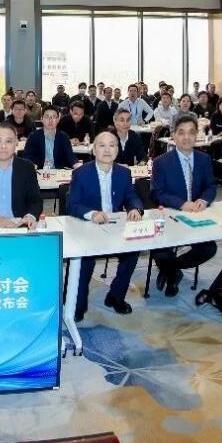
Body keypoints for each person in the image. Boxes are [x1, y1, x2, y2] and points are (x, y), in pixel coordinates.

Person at [69, 131, 144, 319]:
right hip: (89, 228)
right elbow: (73, 205)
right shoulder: (81, 173)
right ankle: (78, 305)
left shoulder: (124, 173)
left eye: (112, 145)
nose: (107, 150)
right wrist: (92, 214)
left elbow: (131, 197)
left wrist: (135, 208)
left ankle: (116, 296)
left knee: (133, 251)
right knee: (84, 260)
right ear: (94, 150)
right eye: (101, 145)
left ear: (117, 150)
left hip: (115, 227)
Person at [149, 115, 218, 297]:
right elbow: (157, 193)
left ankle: (171, 270)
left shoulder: (204, 159)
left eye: (191, 133)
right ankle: (173, 275)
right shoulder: (161, 162)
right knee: (159, 250)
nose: (186, 137)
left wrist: (203, 200)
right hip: (170, 215)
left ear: (197, 135)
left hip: (196, 216)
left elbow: (211, 186)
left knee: (209, 248)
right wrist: (181, 204)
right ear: (174, 136)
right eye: (181, 133)